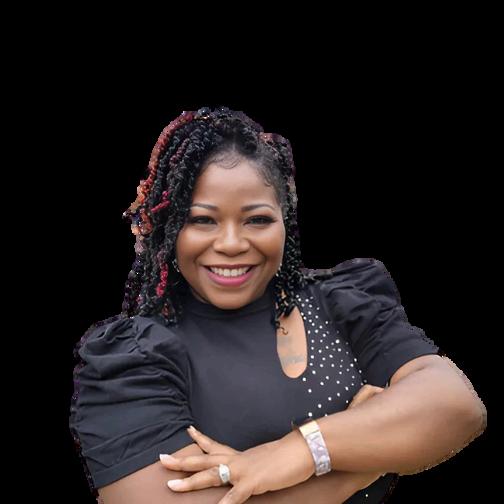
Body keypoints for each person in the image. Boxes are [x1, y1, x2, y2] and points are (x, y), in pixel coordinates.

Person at [69, 107, 486, 503]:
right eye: (202, 220)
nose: (231, 243)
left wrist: (300, 451)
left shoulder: (340, 303)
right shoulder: (131, 361)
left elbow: (455, 405)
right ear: (168, 228)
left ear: (285, 221)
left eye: (257, 219)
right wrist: (370, 458)